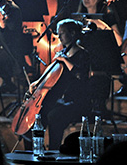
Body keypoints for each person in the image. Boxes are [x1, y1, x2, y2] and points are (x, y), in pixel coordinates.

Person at [28, 19, 96, 150]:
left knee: (54, 116)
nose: (59, 37)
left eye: (62, 33)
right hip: (61, 99)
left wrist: (65, 60)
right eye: (58, 33)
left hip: (77, 101)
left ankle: (54, 150)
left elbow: (80, 75)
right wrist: (38, 82)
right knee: (38, 114)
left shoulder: (83, 54)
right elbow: (50, 74)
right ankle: (35, 149)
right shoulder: (63, 53)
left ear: (72, 33)